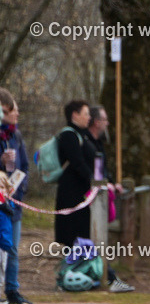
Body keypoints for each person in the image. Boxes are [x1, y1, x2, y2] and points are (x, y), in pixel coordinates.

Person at [86, 106, 134, 293]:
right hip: (89, 200)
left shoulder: (98, 143)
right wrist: (103, 185)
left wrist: (113, 183)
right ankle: (107, 277)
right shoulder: (87, 144)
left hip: (100, 196)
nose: (107, 123)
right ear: (96, 122)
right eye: (105, 120)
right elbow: (92, 172)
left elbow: (103, 170)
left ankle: (107, 276)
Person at [0, 88, 32, 304]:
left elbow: (25, 166)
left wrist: (20, 190)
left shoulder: (16, 136)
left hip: (14, 201)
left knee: (12, 247)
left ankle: (12, 289)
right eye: (11, 110)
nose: (16, 114)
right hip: (0, 201)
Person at [55, 101, 97, 252]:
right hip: (71, 195)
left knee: (84, 234)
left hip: (82, 194)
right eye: (86, 114)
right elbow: (78, 163)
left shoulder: (83, 135)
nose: (89, 117)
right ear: (75, 115)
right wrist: (94, 181)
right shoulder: (68, 135)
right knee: (73, 237)